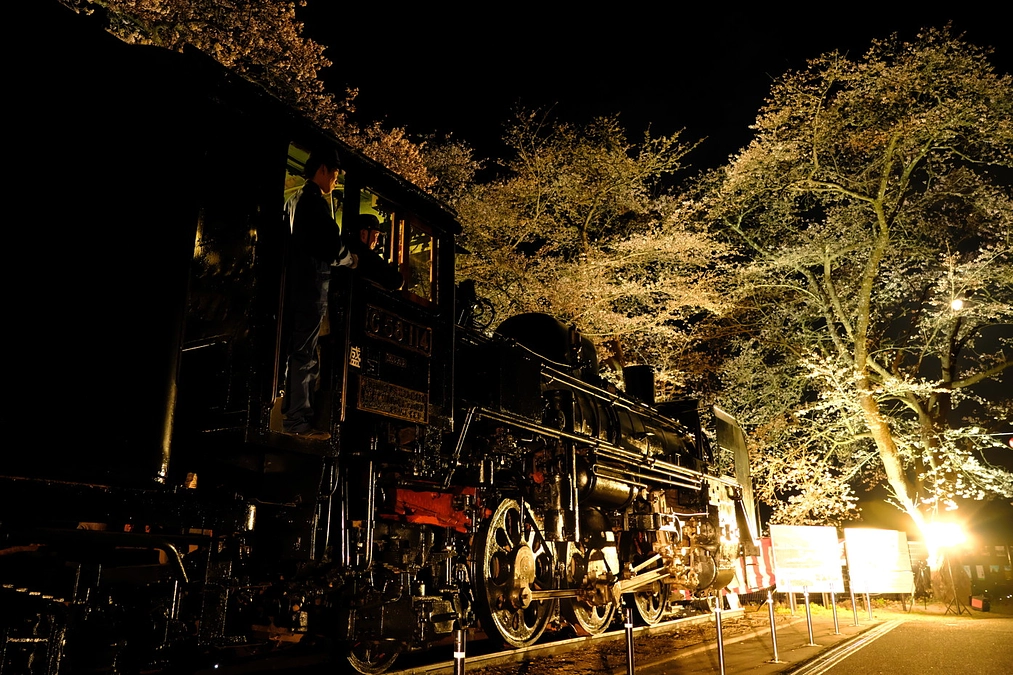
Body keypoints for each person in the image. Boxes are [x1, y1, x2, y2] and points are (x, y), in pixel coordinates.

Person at [281, 147, 358, 440]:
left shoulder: (293, 200)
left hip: (295, 284)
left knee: (298, 351)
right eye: (335, 174)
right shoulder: (315, 202)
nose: (335, 181)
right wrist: (350, 259)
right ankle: (298, 422)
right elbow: (330, 245)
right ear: (323, 170)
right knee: (305, 354)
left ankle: (293, 416)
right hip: (312, 284)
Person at [345, 213, 404, 291]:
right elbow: (394, 280)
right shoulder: (365, 256)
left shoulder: (346, 247)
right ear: (363, 234)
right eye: (375, 236)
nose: (377, 242)